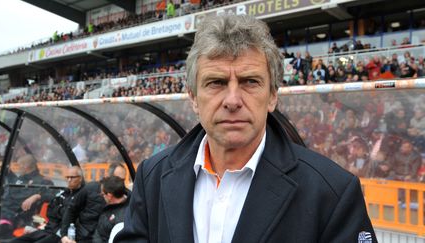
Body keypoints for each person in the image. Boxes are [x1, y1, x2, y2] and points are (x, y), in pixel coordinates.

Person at [115, 15, 376, 242]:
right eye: (216, 83)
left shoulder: (332, 192)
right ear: (193, 97)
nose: (232, 100)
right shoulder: (152, 176)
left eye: (250, 81)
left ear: (273, 95)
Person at [9, 166, 84, 243]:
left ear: (80, 178)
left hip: (60, 234)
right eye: (67, 177)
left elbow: (69, 215)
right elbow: (50, 208)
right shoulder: (63, 193)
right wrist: (37, 196)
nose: (69, 180)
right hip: (48, 230)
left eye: (72, 177)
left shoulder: (83, 195)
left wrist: (58, 211)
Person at [0, 154, 53, 239]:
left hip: (20, 216)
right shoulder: (20, 178)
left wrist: (37, 196)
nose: (18, 167)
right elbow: (13, 183)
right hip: (4, 210)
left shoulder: (43, 181)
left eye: (20, 165)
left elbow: (53, 195)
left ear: (26, 166)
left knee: (0, 229)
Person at [93, 176, 130, 243]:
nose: (102, 196)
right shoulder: (110, 205)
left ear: (109, 196)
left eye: (102, 194)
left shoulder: (122, 219)